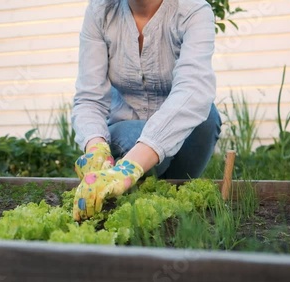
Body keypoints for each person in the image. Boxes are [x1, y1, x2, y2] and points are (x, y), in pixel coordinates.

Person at [71, 0, 222, 221]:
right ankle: (134, 196)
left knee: (207, 116)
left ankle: (164, 198)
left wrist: (129, 168)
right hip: (126, 130)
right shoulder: (100, 12)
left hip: (180, 135)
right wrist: (95, 148)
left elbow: (194, 89)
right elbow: (89, 97)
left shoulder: (193, 10)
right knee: (134, 135)